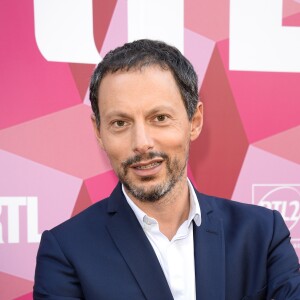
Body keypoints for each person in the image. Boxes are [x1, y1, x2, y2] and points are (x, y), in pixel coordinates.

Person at [33, 39, 300, 300]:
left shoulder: (263, 234)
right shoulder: (66, 251)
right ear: (99, 132)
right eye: (120, 123)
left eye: (159, 118)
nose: (141, 143)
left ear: (194, 121)